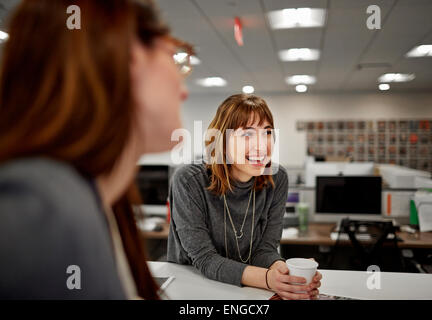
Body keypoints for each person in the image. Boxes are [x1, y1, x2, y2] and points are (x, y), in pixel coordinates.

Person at [0, 0, 191, 299]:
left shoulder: (102, 202)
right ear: (128, 56)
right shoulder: (43, 212)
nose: (184, 84)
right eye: (174, 55)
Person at [168, 94, 322, 300]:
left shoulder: (277, 178)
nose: (261, 145)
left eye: (267, 132)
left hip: (246, 291)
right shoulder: (189, 180)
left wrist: (286, 276)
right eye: (247, 134)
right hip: (193, 288)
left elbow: (265, 250)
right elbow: (205, 259)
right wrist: (269, 279)